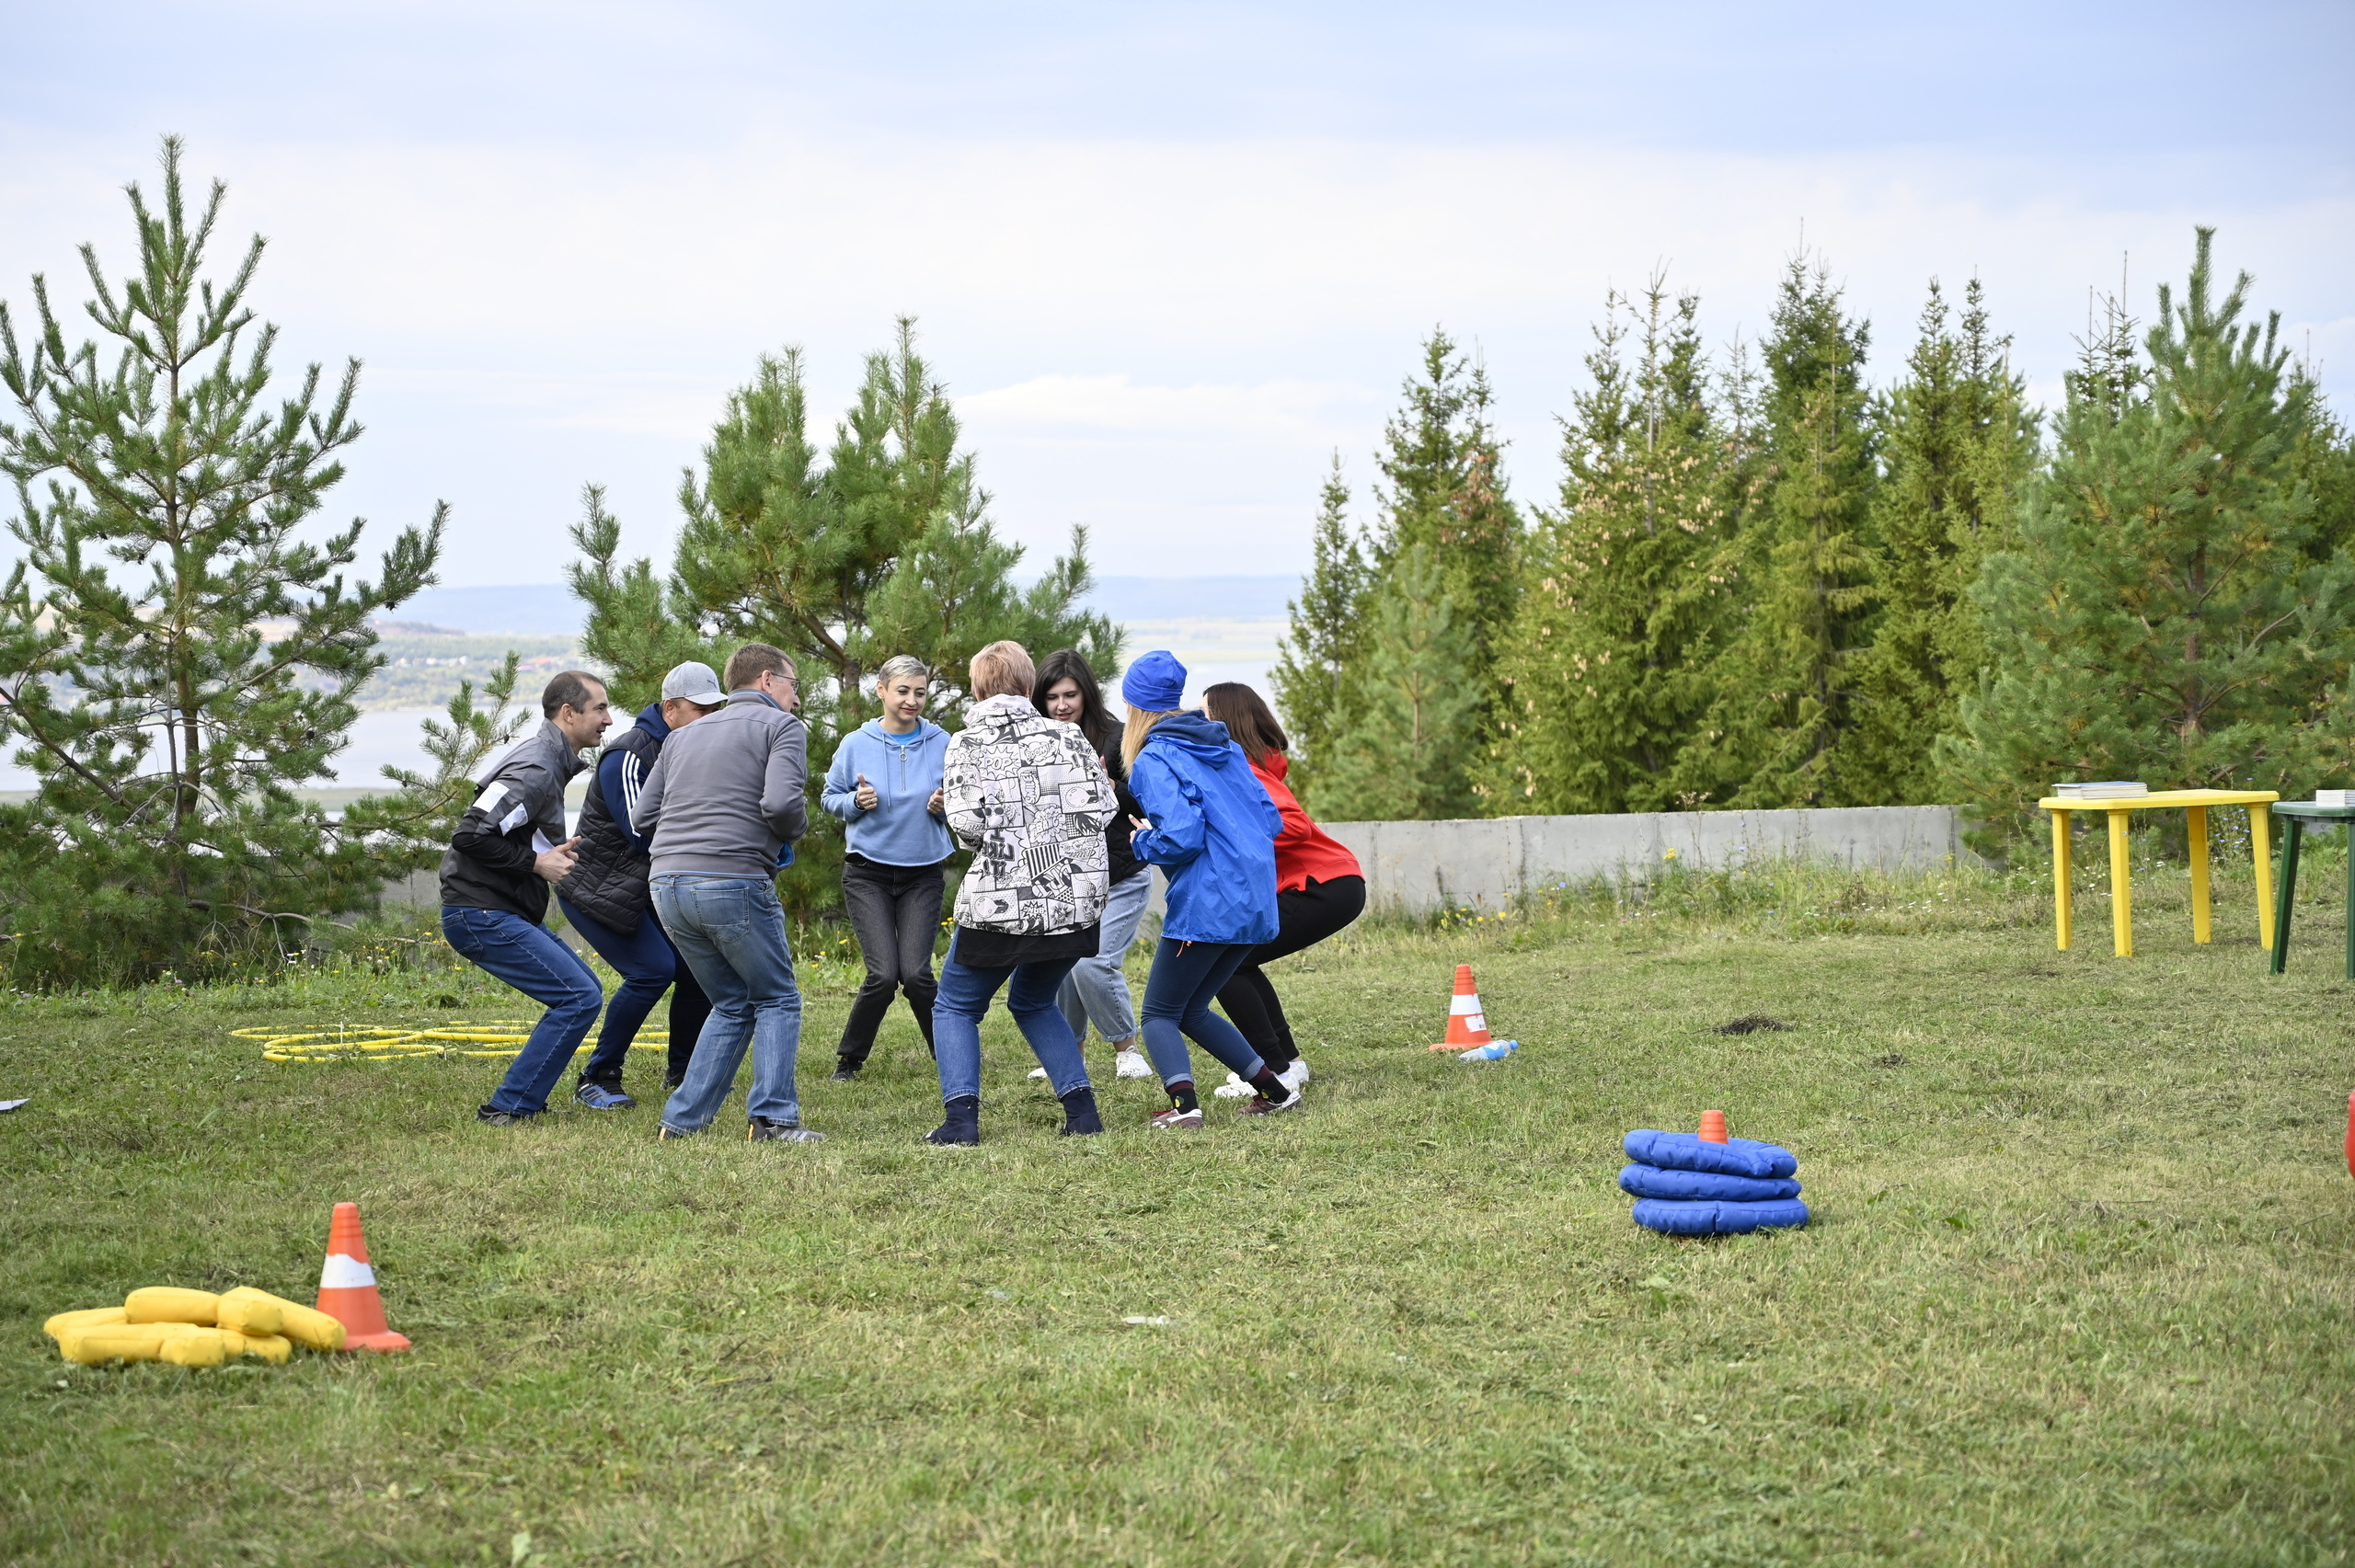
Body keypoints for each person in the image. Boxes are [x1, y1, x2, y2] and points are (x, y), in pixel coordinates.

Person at [926, 639, 1120, 1146]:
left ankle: (961, 1121)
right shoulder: (1070, 737)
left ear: (976, 687)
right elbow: (1103, 810)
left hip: (1001, 903)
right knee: (1033, 1000)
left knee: (955, 1008)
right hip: (1071, 903)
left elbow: (968, 828)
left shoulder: (965, 745)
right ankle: (1082, 1113)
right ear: (1029, 685)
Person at [633, 643, 822, 1144]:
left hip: (666, 885)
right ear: (766, 681)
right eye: (793, 684)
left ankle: (681, 1122)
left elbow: (641, 818)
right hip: (733, 881)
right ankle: (775, 1120)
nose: (796, 699)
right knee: (778, 998)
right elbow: (782, 805)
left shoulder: (680, 737)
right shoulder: (781, 728)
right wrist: (790, 833)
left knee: (732, 1001)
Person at [1120, 650, 1296, 1127]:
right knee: (1192, 1009)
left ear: (1133, 706)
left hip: (1209, 901)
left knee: (1157, 1013)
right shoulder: (1227, 746)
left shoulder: (1152, 758)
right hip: (1254, 898)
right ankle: (1275, 1092)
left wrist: (1142, 840)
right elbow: (1269, 819)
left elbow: (1180, 835)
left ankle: (1184, 1108)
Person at [442, 670, 614, 1126]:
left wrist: (540, 852)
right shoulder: (537, 768)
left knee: (586, 992)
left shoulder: (549, 762)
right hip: (478, 912)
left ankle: (520, 1101)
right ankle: (510, 1107)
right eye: (599, 709)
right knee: (577, 997)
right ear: (568, 713)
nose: (608, 720)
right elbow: (469, 835)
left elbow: (503, 830)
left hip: (496, 907)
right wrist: (536, 864)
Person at [552, 660, 726, 1107]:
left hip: (647, 889)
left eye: (715, 709)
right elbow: (643, 832)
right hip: (597, 889)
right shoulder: (629, 755)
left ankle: (685, 1073)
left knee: (697, 972)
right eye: (700, 710)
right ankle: (598, 1076)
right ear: (670, 708)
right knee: (652, 971)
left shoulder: (695, 748)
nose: (710, 719)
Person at [1200, 681, 1365, 1099]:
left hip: (1323, 884)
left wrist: (1228, 836)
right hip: (1331, 883)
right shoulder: (1246, 767)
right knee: (1236, 960)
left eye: (1204, 715)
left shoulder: (1246, 769)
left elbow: (1294, 825)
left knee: (1225, 963)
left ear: (1224, 721)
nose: (1198, 723)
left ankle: (1274, 1068)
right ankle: (1287, 1062)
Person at [821, 654, 954, 1080]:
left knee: (916, 974)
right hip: (867, 873)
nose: (912, 700)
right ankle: (850, 1058)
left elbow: (968, 803)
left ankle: (948, 1054)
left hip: (923, 874)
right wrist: (854, 803)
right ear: (881, 691)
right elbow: (830, 798)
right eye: (902, 691)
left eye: (919, 692)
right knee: (882, 973)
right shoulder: (855, 744)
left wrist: (945, 806)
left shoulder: (943, 742)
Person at [1032, 648, 1154, 1082]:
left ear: (1086, 693)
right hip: (1067, 877)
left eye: (1070, 694)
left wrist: (1111, 789)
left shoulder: (1120, 739)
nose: (1062, 705)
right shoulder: (1036, 744)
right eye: (1052, 697)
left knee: (1093, 963)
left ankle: (1126, 1048)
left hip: (1122, 876)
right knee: (1064, 965)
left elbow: (1151, 804)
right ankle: (1071, 1053)